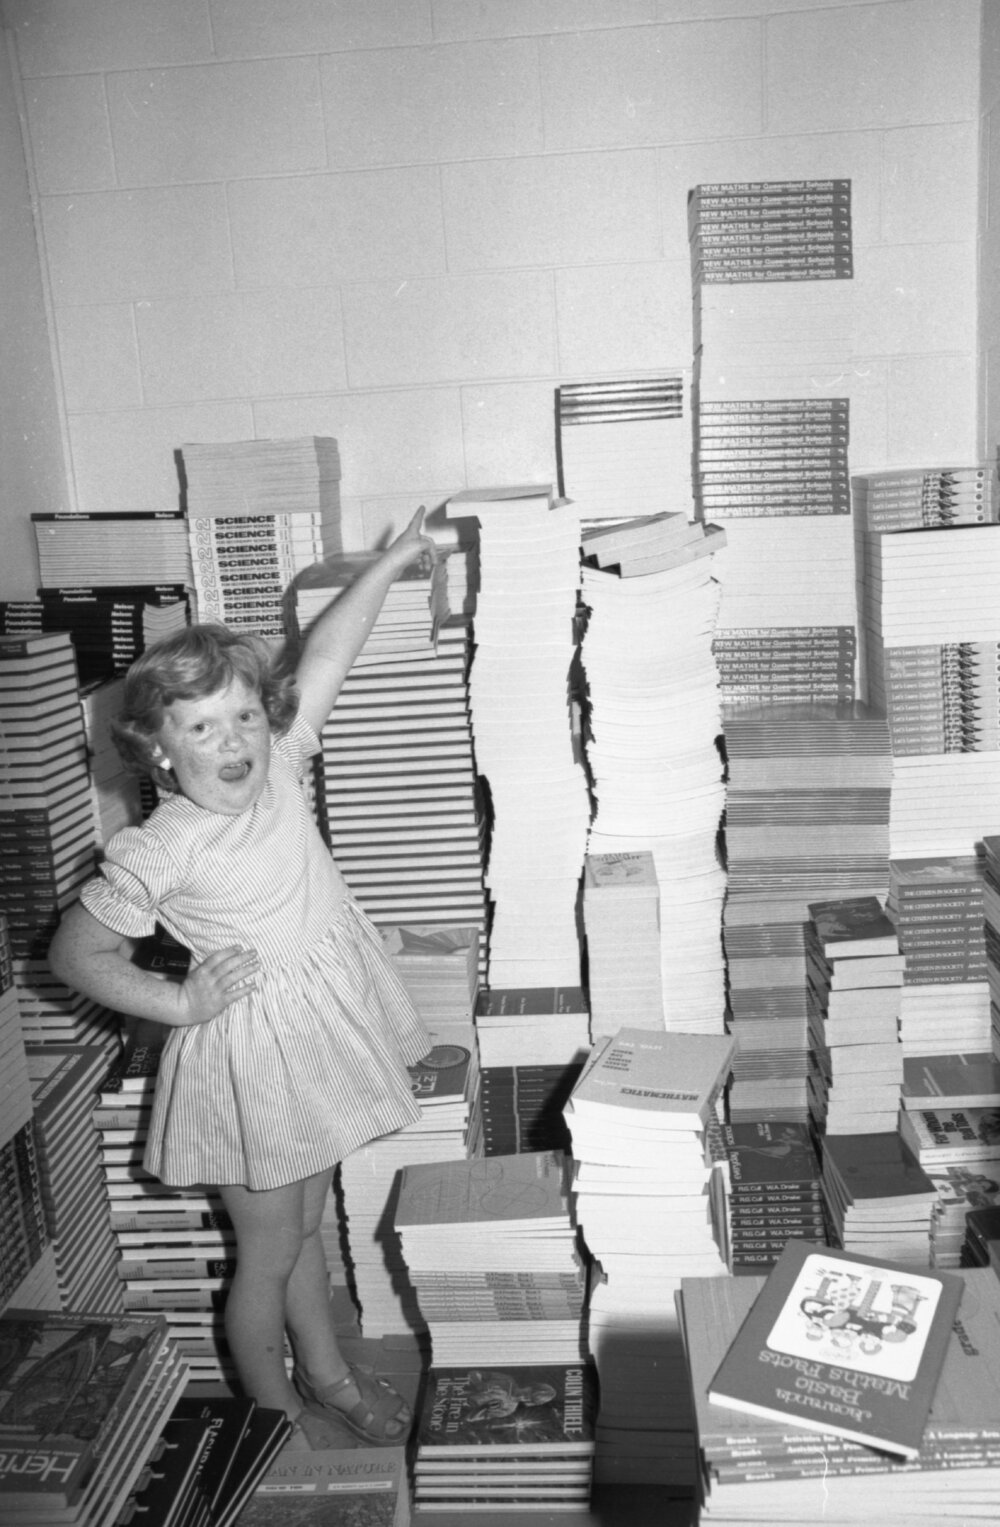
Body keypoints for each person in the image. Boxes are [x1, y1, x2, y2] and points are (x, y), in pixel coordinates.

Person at [48, 509, 436, 1452]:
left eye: (245, 716)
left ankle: (329, 1376)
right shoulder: (164, 843)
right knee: (266, 1255)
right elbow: (75, 955)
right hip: (254, 1064)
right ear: (155, 748)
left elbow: (328, 655)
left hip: (315, 1043)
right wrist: (179, 1000)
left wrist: (387, 564)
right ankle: (275, 1420)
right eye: (201, 725)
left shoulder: (283, 772)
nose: (233, 743)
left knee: (306, 1233)